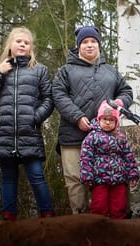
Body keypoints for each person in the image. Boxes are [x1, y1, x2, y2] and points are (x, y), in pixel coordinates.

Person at [53, 26, 133, 214]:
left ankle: (118, 221)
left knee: (116, 177)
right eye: (85, 42)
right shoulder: (66, 70)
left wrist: (120, 103)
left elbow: (126, 91)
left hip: (109, 137)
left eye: (93, 42)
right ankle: (80, 220)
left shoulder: (110, 71)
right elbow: (58, 94)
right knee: (75, 179)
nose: (89, 46)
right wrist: (77, 116)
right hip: (73, 134)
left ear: (98, 44)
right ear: (79, 46)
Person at [0, 27, 55, 221]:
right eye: (18, 41)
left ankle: (47, 215)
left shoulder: (39, 70)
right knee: (8, 178)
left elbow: (49, 99)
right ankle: (9, 217)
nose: (22, 44)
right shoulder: (1, 70)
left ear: (31, 48)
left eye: (26, 42)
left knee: (37, 176)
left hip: (29, 132)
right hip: (4, 134)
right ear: (10, 45)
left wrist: (35, 118)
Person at [80, 100, 139, 219]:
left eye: (111, 119)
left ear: (116, 121)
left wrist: (133, 174)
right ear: (99, 119)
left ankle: (118, 228)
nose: (107, 122)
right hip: (99, 179)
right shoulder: (92, 136)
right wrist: (87, 175)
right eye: (104, 119)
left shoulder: (120, 137)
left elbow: (128, 157)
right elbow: (86, 157)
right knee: (99, 206)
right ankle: (98, 228)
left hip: (119, 179)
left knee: (119, 206)